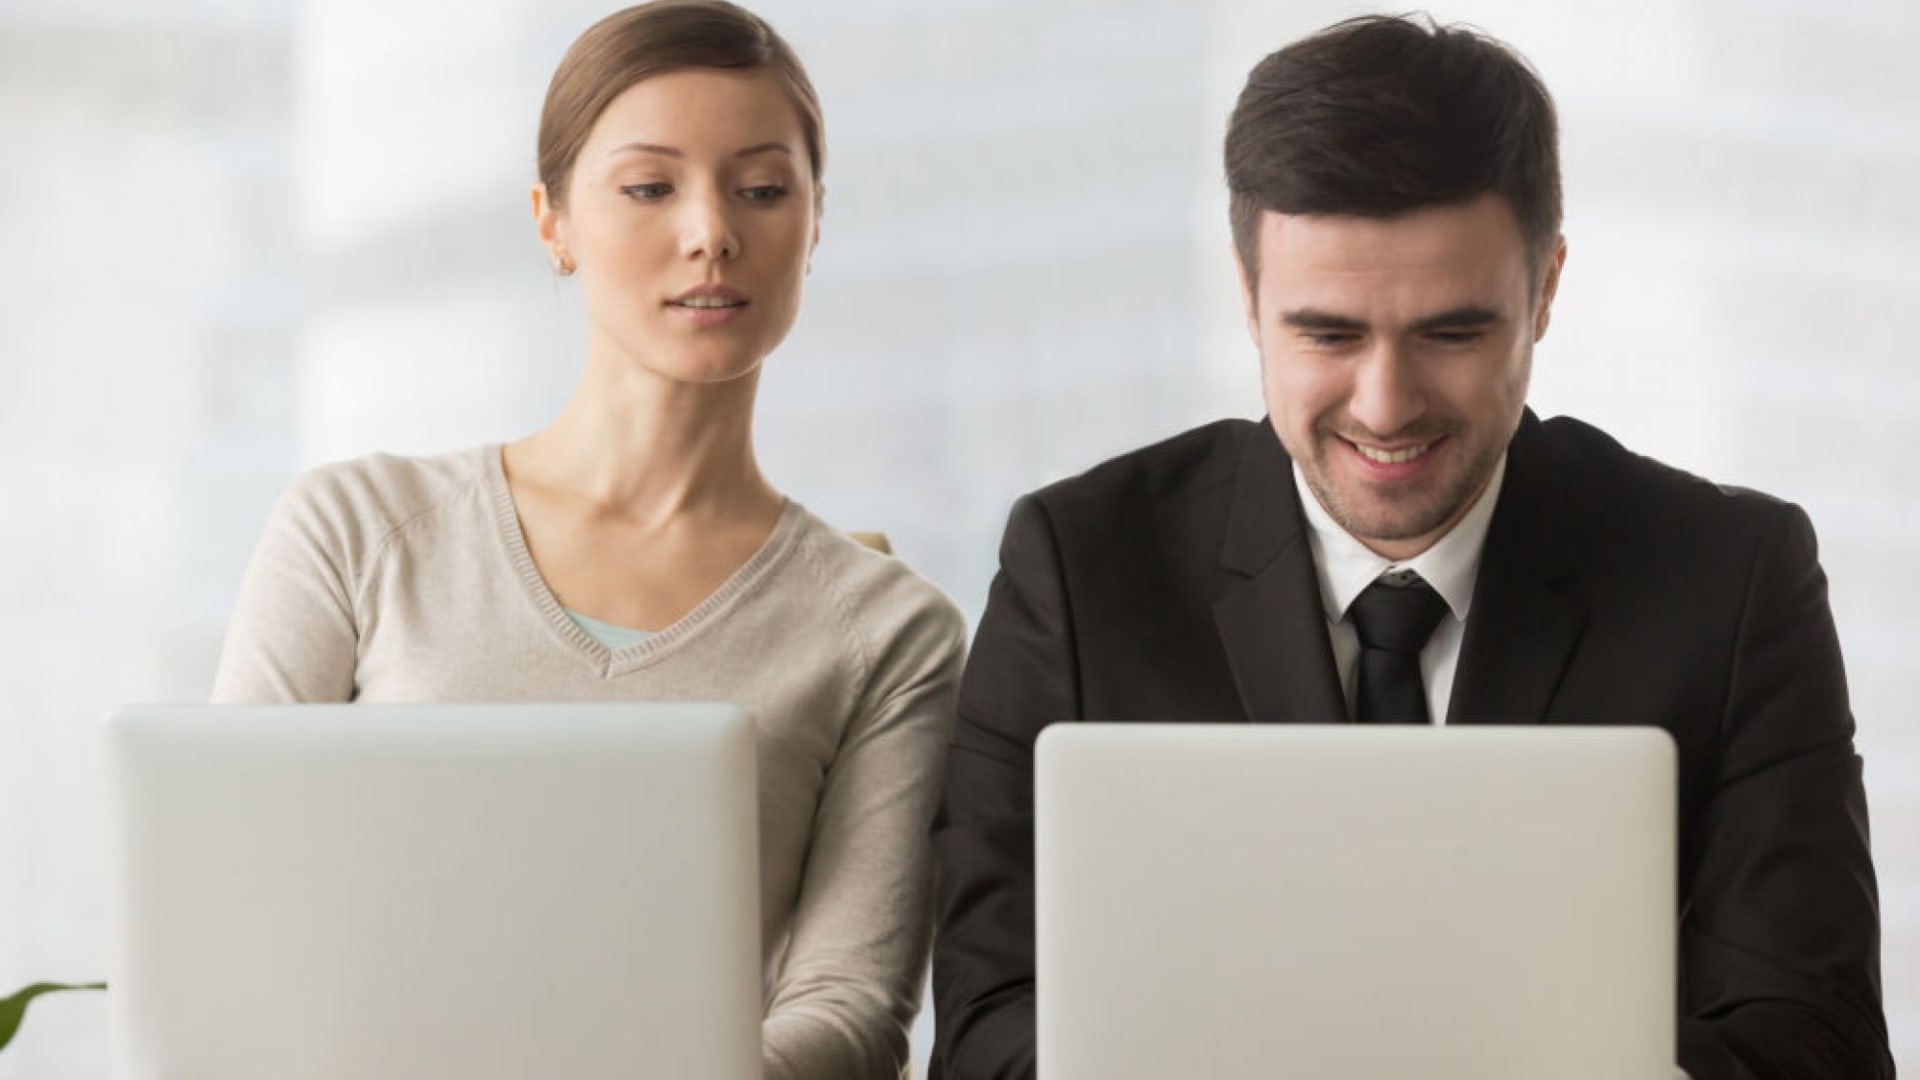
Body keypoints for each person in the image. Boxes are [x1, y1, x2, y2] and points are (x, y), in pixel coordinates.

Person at [929, 14, 1889, 1080]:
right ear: (1248, 298)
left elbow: (1819, 1042)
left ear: (1548, 290)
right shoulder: (1078, 566)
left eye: (1452, 332)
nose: (1385, 407)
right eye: (1328, 334)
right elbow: (986, 1031)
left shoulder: (1735, 577)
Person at [212, 3, 966, 1078]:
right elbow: (232, 905)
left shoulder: (889, 631)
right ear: (551, 220)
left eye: (761, 188)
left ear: (815, 220)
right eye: (650, 187)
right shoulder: (356, 534)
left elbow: (851, 1010)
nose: (711, 232)